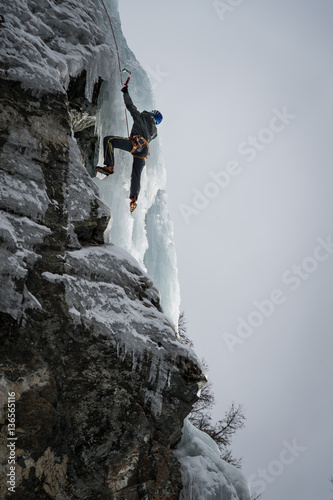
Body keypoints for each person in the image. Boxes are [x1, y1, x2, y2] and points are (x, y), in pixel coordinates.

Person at [95, 86, 163, 212]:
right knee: (136, 174)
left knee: (109, 140)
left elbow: (130, 105)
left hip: (136, 143)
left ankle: (109, 166)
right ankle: (134, 199)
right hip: (144, 151)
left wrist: (125, 92)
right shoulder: (154, 131)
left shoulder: (142, 116)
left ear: (151, 113)